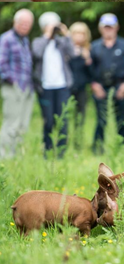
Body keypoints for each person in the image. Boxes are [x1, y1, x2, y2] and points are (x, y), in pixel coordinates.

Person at [32, 12, 74, 158]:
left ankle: (61, 153)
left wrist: (66, 34)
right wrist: (47, 35)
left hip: (62, 86)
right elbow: (37, 54)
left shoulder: (61, 42)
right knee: (49, 121)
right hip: (45, 88)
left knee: (62, 120)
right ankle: (47, 150)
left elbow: (73, 53)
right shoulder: (38, 41)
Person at [90, 13, 124, 153]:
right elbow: (89, 69)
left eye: (111, 27)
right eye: (106, 27)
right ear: (101, 28)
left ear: (117, 28)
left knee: (121, 119)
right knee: (101, 119)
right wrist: (94, 85)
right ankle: (97, 147)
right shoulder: (94, 47)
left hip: (120, 86)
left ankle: (122, 147)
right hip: (101, 87)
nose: (108, 30)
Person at [0, 9, 34, 159]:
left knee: (22, 125)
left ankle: (15, 156)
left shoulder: (25, 40)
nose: (25, 26)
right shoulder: (6, 38)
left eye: (28, 24)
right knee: (11, 124)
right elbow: (1, 63)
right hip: (12, 87)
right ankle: (4, 156)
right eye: (22, 23)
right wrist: (12, 80)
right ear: (15, 22)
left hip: (26, 87)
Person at [69, 22, 92, 149]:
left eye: (81, 34)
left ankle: (77, 143)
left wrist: (88, 60)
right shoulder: (66, 50)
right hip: (67, 88)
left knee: (80, 116)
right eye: (76, 33)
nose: (78, 36)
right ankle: (64, 142)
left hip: (82, 89)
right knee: (65, 117)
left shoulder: (88, 51)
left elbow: (92, 74)